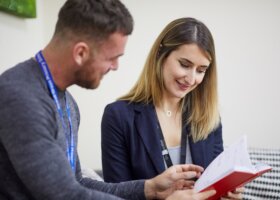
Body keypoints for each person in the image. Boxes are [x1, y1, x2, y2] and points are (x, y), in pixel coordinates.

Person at [0, 1, 217, 200]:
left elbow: (78, 183)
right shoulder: (19, 96)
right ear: (81, 53)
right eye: (112, 58)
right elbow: (63, 194)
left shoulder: (68, 104)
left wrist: (151, 187)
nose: (115, 67)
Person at [101, 17, 244, 199]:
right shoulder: (118, 116)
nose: (192, 79)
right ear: (161, 54)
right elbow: (115, 196)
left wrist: (228, 195)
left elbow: (214, 187)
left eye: (201, 70)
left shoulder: (209, 118)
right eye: (185, 65)